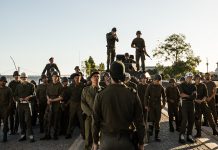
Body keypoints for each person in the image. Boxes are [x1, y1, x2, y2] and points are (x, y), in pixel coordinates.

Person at [92, 61, 145, 150]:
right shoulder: (132, 94)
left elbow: (95, 121)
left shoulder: (101, 94)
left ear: (110, 75)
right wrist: (141, 142)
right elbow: (140, 121)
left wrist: (95, 141)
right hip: (127, 141)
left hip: (106, 142)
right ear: (123, 74)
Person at [81, 71, 103, 150]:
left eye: (98, 76)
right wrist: (91, 114)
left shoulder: (103, 90)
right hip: (89, 117)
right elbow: (83, 103)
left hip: (100, 118)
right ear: (91, 79)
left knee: (99, 138)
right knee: (88, 137)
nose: (96, 78)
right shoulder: (86, 90)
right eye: (94, 76)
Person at [40, 71, 63, 140]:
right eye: (53, 76)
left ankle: (55, 135)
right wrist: (48, 99)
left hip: (56, 105)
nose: (55, 78)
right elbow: (47, 94)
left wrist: (52, 100)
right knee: (47, 120)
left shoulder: (60, 85)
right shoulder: (49, 85)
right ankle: (47, 135)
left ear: (58, 78)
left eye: (56, 77)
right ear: (52, 77)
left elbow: (61, 97)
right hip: (49, 105)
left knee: (56, 120)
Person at [14, 72, 35, 142]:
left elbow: (34, 95)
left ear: (27, 78)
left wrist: (29, 97)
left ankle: (31, 135)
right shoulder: (18, 86)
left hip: (27, 105)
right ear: (20, 78)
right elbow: (15, 96)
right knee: (21, 120)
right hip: (20, 105)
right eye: (22, 78)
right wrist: (18, 99)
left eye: (25, 78)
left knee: (28, 120)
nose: (23, 79)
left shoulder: (31, 85)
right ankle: (23, 135)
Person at [144, 74, 166, 142]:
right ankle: (149, 133)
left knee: (157, 120)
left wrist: (164, 104)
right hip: (151, 105)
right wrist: (146, 105)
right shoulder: (149, 86)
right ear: (154, 80)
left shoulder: (161, 87)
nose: (158, 82)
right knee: (151, 119)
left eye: (159, 81)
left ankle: (156, 136)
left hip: (158, 105)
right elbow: (146, 96)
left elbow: (164, 96)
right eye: (157, 80)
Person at [178, 72, 196, 144]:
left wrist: (188, 95)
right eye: (188, 77)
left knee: (191, 120)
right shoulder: (181, 85)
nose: (189, 78)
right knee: (185, 119)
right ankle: (181, 135)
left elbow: (194, 96)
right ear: (185, 78)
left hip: (191, 104)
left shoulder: (194, 86)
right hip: (185, 103)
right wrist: (189, 96)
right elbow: (182, 94)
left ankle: (189, 135)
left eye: (191, 77)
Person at [65, 73, 85, 139]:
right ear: (74, 79)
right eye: (76, 78)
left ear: (80, 78)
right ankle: (68, 134)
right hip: (73, 104)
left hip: (80, 104)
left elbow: (84, 95)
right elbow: (68, 95)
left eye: (78, 78)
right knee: (71, 120)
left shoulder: (83, 86)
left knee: (81, 120)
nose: (77, 79)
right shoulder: (71, 86)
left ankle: (84, 134)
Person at [0, 76, 13, 142]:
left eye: (4, 81)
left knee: (5, 122)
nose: (3, 82)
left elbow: (11, 100)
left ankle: (5, 136)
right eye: (2, 81)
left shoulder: (8, 89)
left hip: (5, 108)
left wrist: (8, 108)